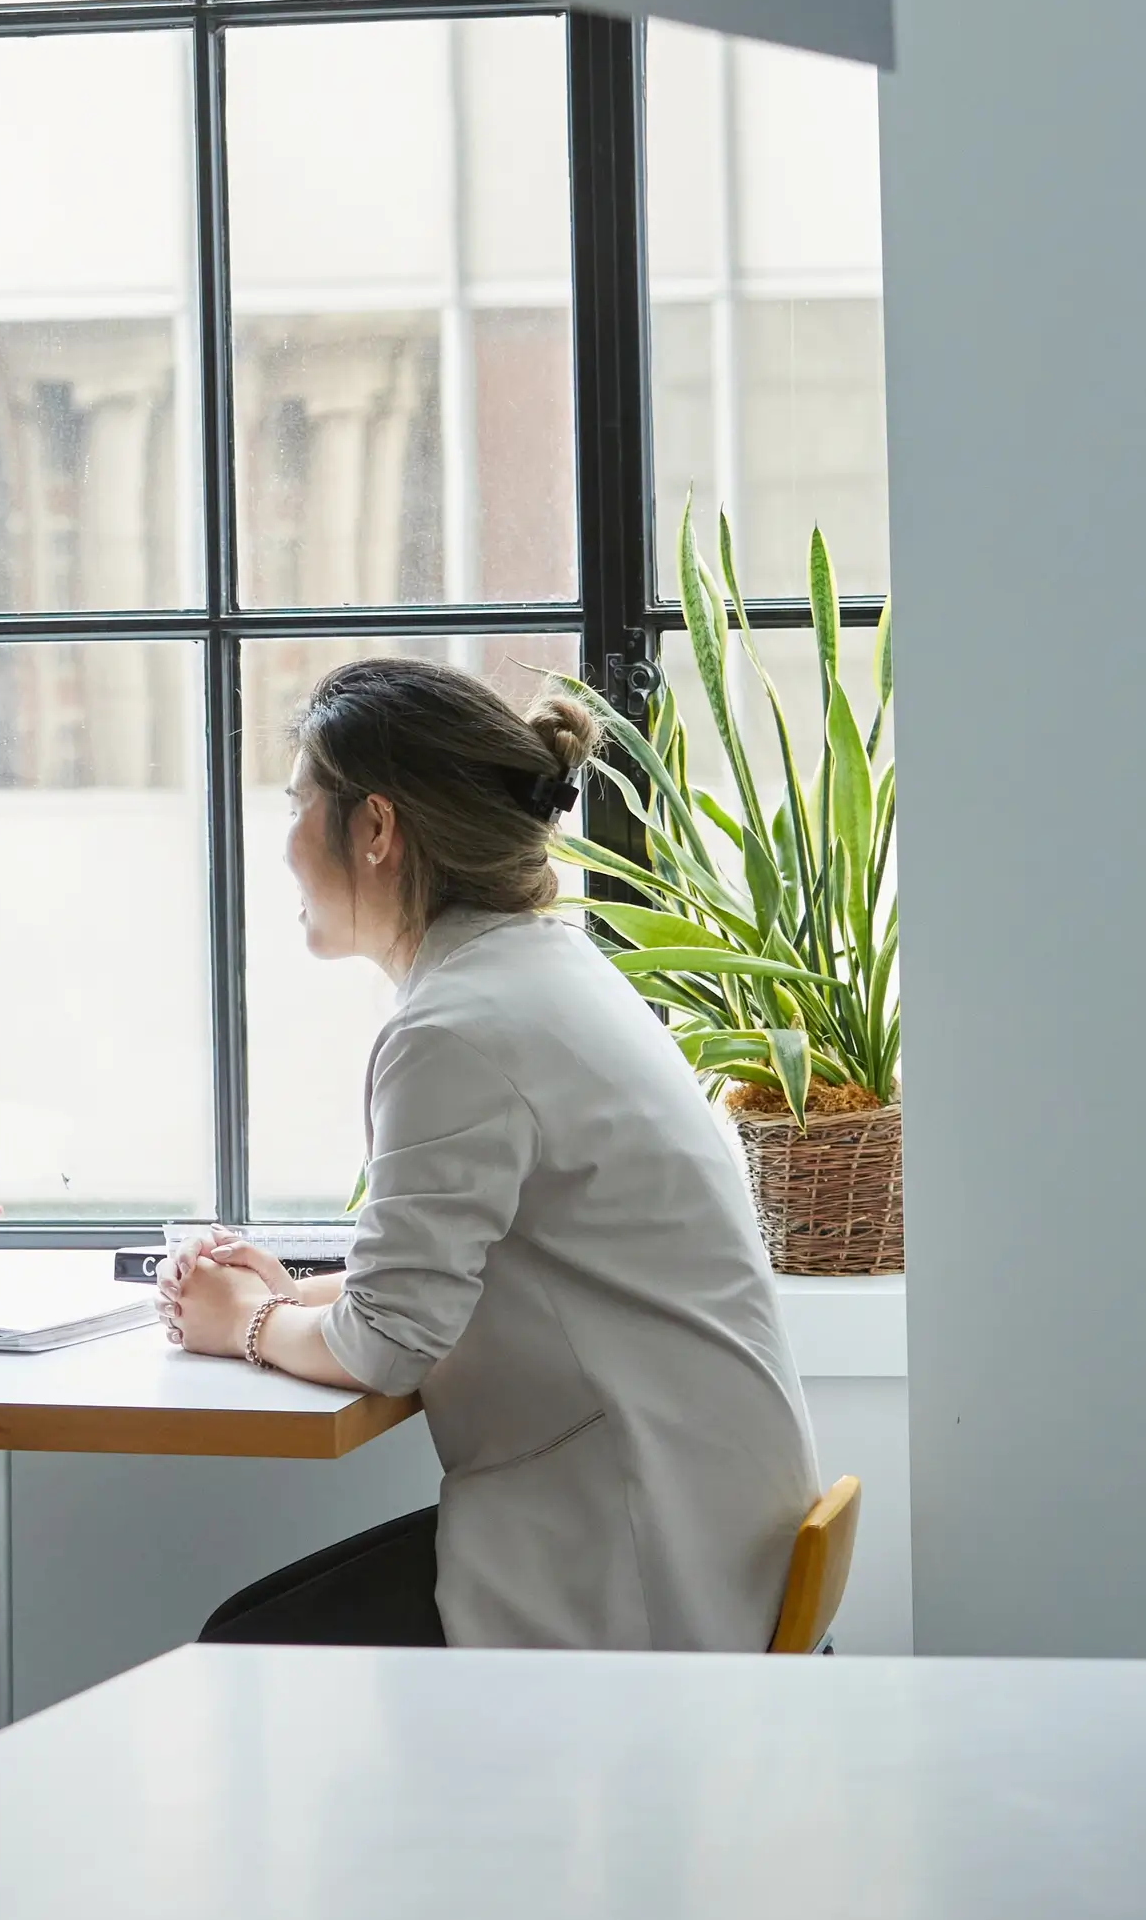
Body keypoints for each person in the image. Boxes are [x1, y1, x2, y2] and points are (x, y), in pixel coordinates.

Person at [163, 657, 818, 1652]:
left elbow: (387, 1345)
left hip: (638, 1551)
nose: (285, 838)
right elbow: (494, 1267)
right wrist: (293, 1291)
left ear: (375, 828)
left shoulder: (454, 1028)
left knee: (244, 1657)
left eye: (299, 801)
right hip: (706, 1513)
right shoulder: (545, 969)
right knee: (253, 1639)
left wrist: (246, 1324)